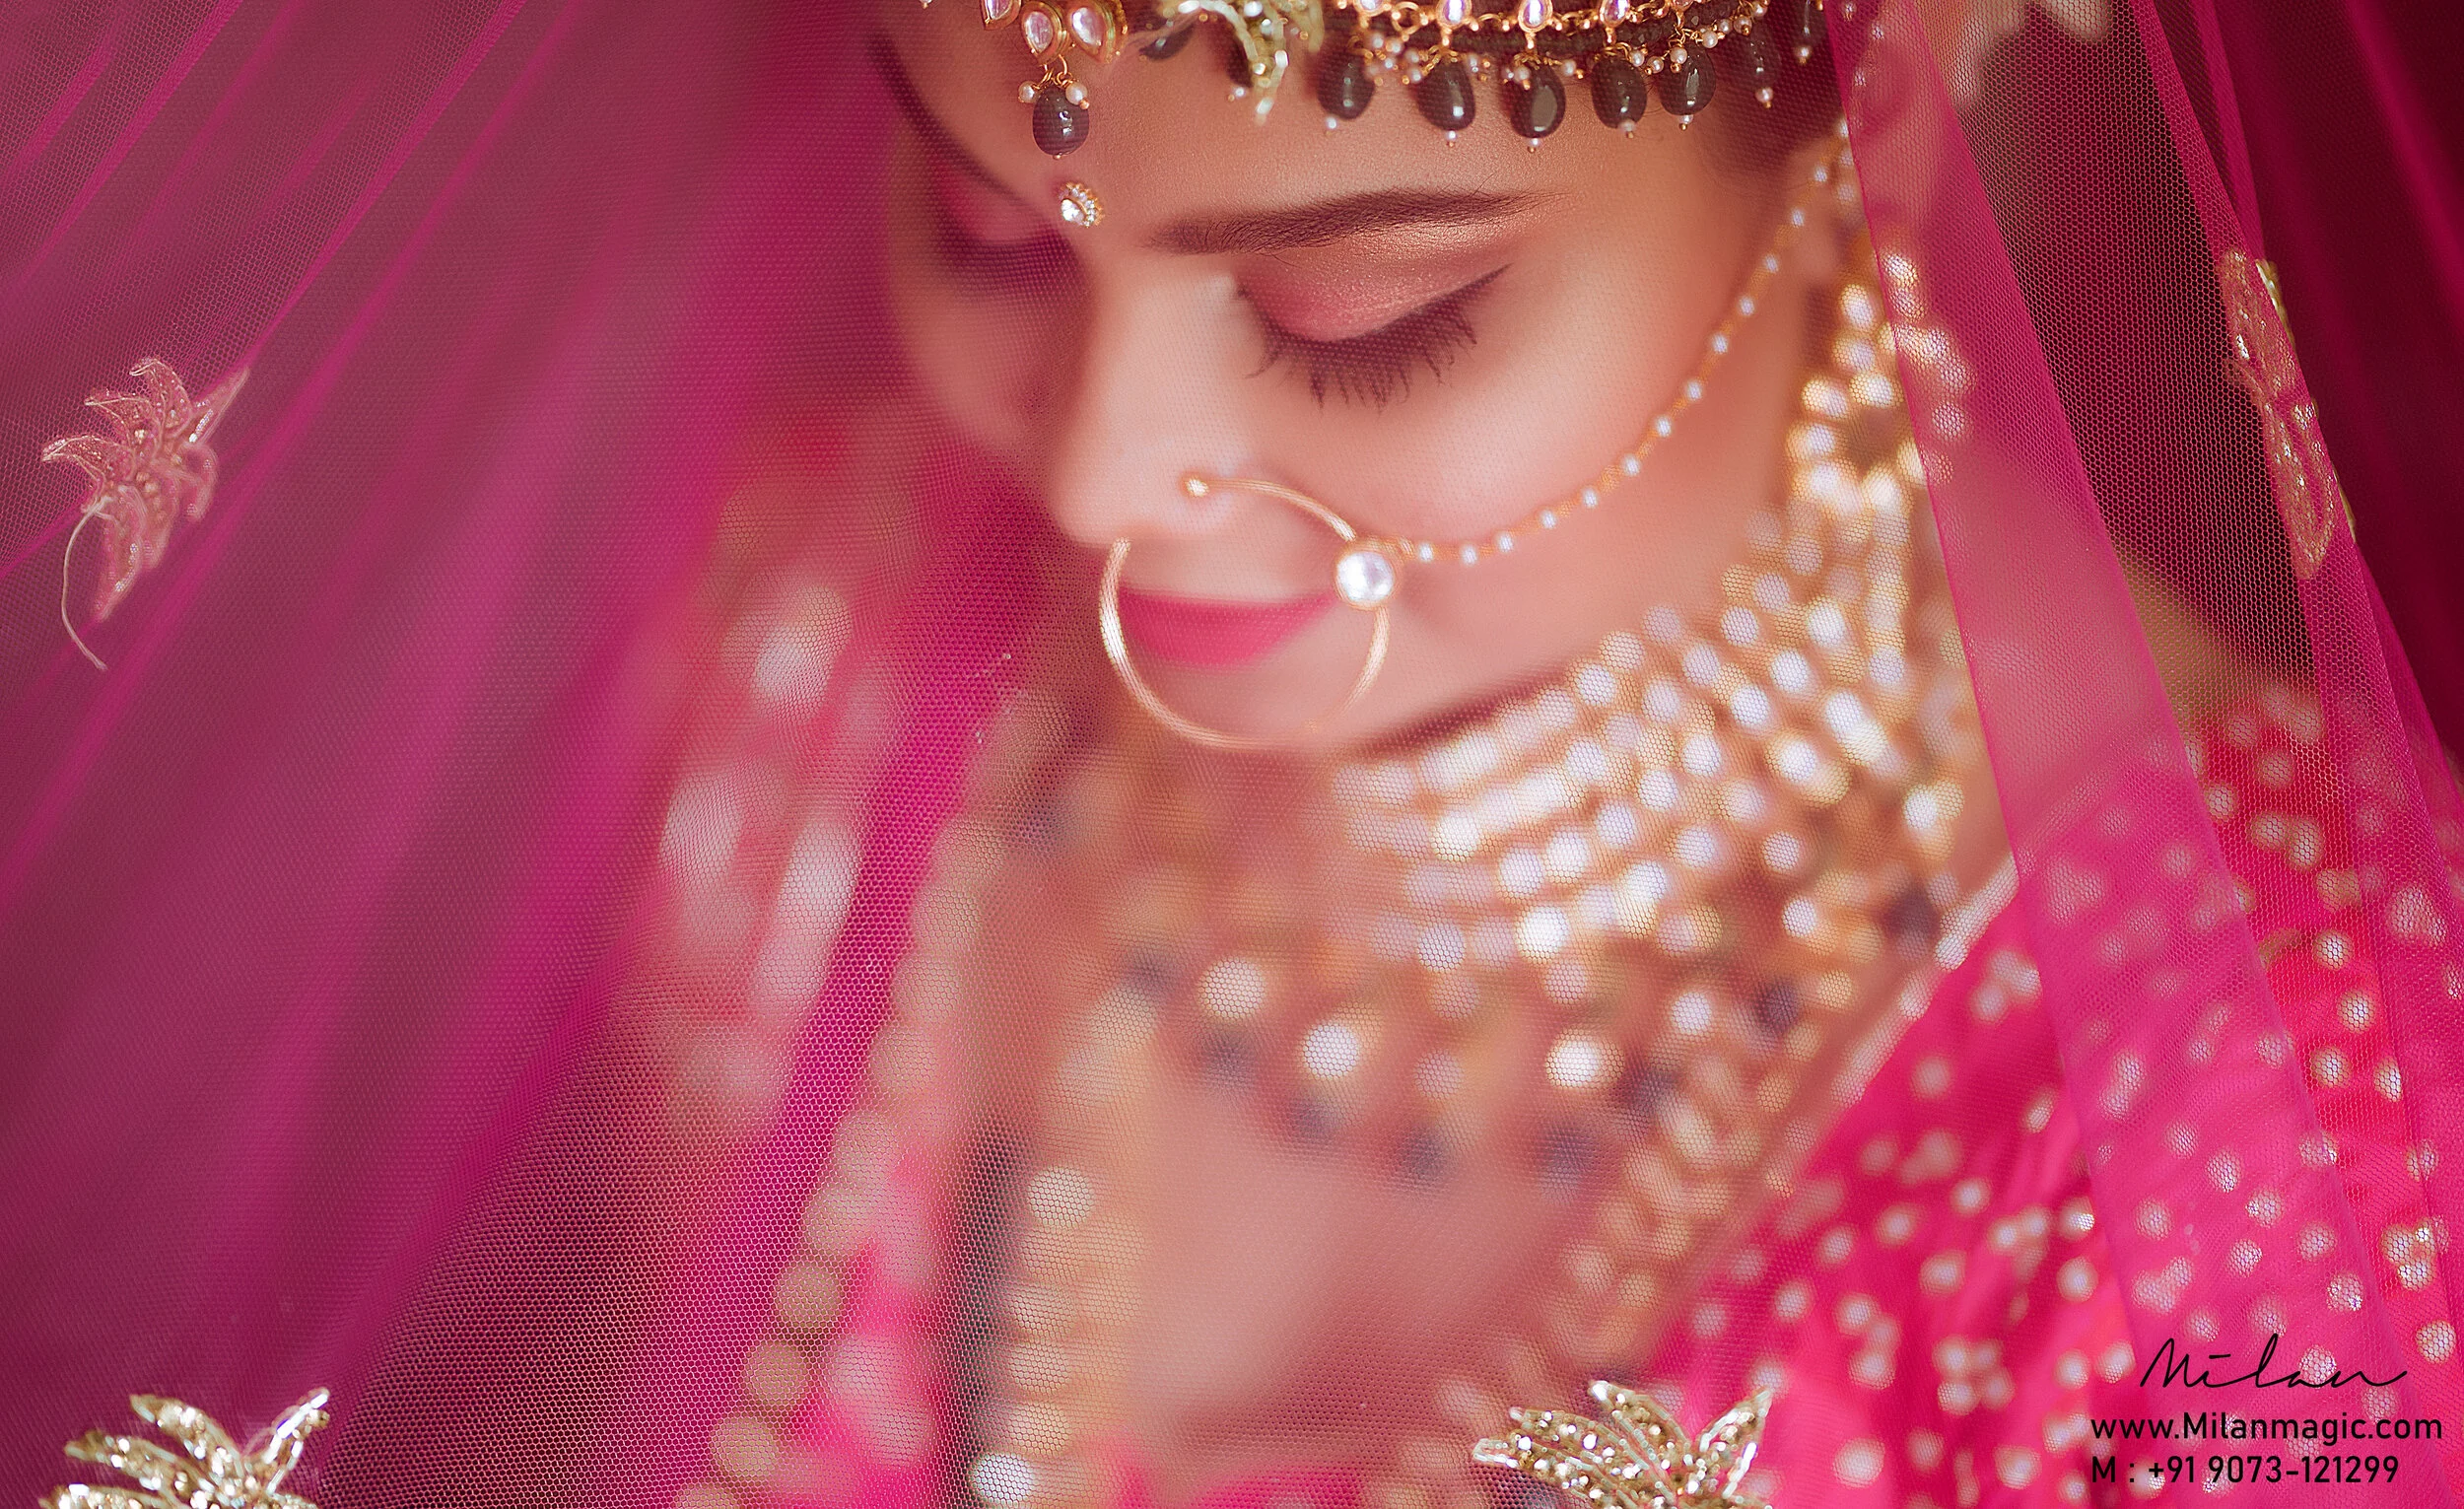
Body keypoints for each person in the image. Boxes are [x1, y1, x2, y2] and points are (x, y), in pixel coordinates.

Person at [1, 2, 2458, 1507]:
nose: (1093, 475)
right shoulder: (824, 644)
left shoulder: (2289, 1114)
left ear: (1870, 134)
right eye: (985, 228)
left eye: (1353, 310)